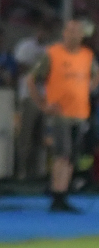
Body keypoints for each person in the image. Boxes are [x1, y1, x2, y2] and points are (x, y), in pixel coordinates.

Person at [27, 18, 99, 212]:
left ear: (82, 35)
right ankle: (57, 194)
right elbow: (32, 80)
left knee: (71, 156)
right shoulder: (53, 53)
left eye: (76, 31)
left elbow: (95, 74)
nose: (72, 35)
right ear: (64, 33)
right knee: (62, 154)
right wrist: (43, 104)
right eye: (69, 31)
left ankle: (62, 192)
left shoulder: (87, 55)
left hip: (80, 112)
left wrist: (87, 90)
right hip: (60, 113)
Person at [13, 18, 52, 181]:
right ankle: (21, 172)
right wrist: (39, 72)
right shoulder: (26, 46)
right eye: (42, 29)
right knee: (25, 135)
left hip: (44, 97)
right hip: (28, 96)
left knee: (41, 137)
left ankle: (37, 172)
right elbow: (21, 67)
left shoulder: (50, 49)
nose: (44, 33)